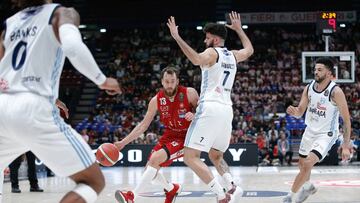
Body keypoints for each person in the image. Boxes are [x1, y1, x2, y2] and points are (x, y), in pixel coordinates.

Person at [0, 0, 121, 203]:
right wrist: (101, 80)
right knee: (93, 181)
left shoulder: (9, 23)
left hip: (2, 104)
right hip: (34, 108)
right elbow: (73, 47)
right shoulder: (61, 13)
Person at [167, 11, 254, 203]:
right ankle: (232, 185)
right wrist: (239, 30)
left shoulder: (212, 53)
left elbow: (196, 59)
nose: (205, 41)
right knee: (216, 155)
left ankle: (220, 195)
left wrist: (177, 37)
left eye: (207, 38)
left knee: (190, 157)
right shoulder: (233, 55)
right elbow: (249, 50)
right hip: (226, 110)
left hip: (210, 108)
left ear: (215, 39)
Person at [114, 67, 198, 203]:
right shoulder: (156, 100)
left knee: (155, 159)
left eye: (172, 81)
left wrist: (195, 115)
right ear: (162, 82)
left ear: (177, 81)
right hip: (169, 135)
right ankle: (171, 189)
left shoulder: (189, 93)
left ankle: (132, 196)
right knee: (150, 171)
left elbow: (204, 113)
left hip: (187, 137)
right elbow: (143, 125)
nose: (169, 85)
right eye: (167, 81)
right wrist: (123, 142)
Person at [283, 57, 352, 203]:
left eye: (319, 70)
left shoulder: (336, 92)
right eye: (315, 69)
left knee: (307, 163)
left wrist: (346, 145)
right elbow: (300, 111)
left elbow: (346, 120)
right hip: (309, 131)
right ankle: (308, 186)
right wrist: (294, 111)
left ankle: (289, 197)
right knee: (301, 165)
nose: (316, 72)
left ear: (328, 73)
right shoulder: (309, 88)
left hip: (326, 134)